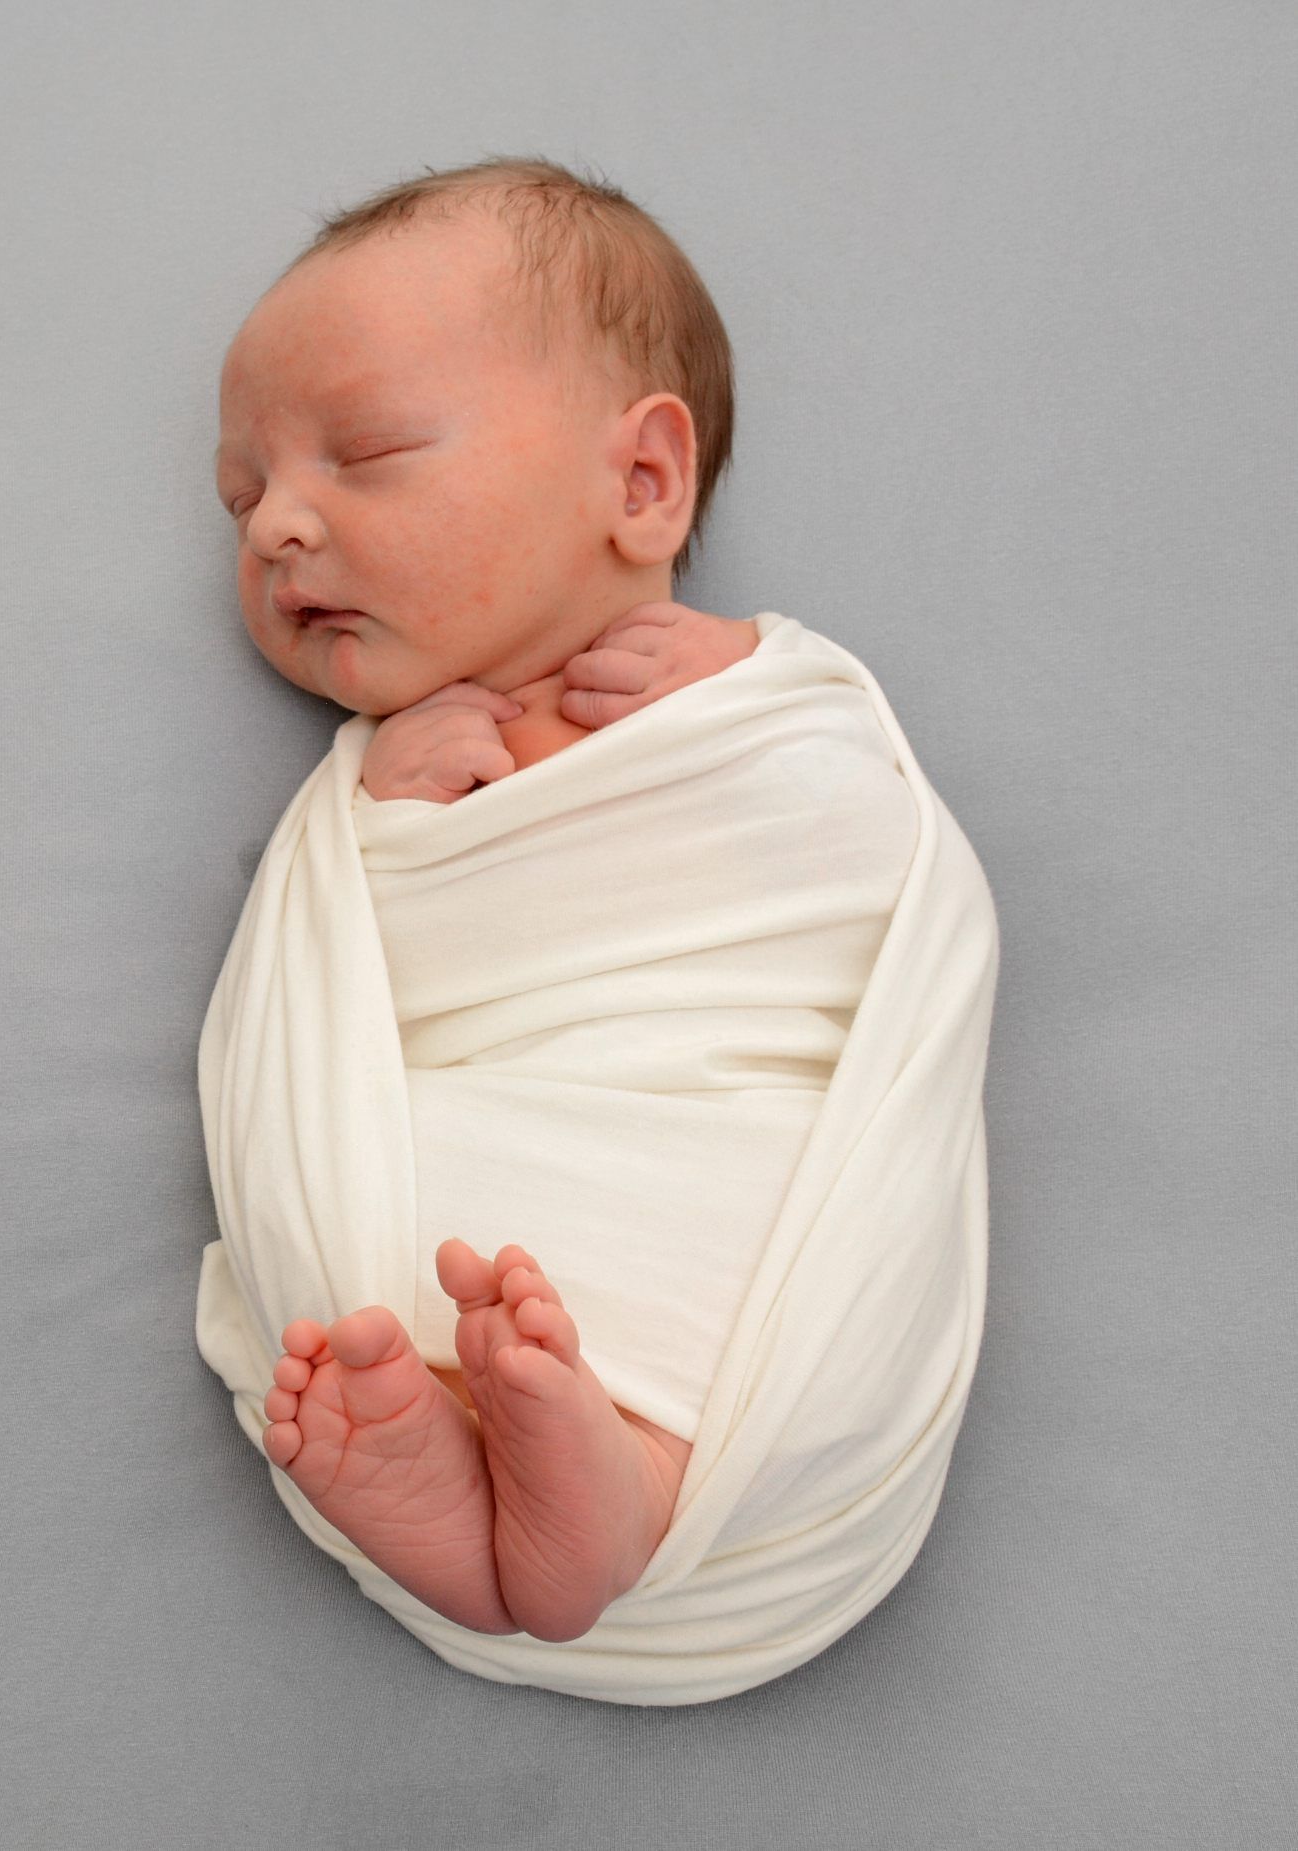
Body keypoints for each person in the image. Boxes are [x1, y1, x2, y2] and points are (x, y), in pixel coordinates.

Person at [196, 159, 997, 1693]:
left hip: (712, 1116)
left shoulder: (766, 697)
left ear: (640, 486)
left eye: (363, 454)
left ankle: (616, 1476)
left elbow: (875, 881)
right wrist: (381, 839)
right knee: (456, 1272)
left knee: (679, 1253)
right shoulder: (367, 791)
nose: (279, 525)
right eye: (242, 498)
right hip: (497, 1135)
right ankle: (497, 1464)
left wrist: (747, 708)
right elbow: (330, 1007)